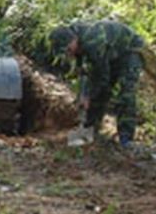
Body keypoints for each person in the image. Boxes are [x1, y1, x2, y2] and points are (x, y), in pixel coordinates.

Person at [49, 20, 146, 148]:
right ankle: (89, 132)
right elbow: (85, 72)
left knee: (125, 94)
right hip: (109, 55)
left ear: (73, 40)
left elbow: (101, 77)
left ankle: (126, 139)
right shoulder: (76, 37)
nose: (68, 53)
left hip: (129, 51)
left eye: (68, 49)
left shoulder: (92, 42)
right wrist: (83, 94)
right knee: (97, 94)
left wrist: (90, 96)